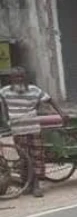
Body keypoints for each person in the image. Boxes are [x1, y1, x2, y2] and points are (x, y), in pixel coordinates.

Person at [0, 66, 65, 198]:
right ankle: (27, 184)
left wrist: (61, 113)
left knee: (36, 157)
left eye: (21, 77)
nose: (19, 79)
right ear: (11, 79)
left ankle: (36, 186)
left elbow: (49, 99)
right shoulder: (4, 92)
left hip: (33, 129)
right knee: (24, 158)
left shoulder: (34, 90)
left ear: (25, 78)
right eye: (16, 77)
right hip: (18, 130)